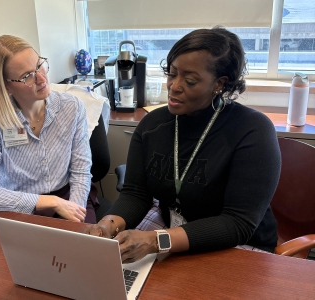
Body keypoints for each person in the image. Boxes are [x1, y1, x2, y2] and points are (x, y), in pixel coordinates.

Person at [83, 27, 281, 263]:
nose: (174, 86)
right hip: (169, 230)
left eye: (189, 80)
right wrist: (108, 224)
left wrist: (156, 241)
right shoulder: (152, 126)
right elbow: (136, 193)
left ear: (219, 83)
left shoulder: (252, 131)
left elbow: (237, 223)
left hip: (238, 243)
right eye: (171, 73)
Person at [0, 35, 96, 223]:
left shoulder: (72, 108)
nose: (41, 78)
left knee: (83, 249)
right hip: (18, 207)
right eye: (27, 76)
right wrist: (48, 202)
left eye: (39, 65)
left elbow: (80, 172)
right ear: (5, 86)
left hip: (69, 195)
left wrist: (74, 212)